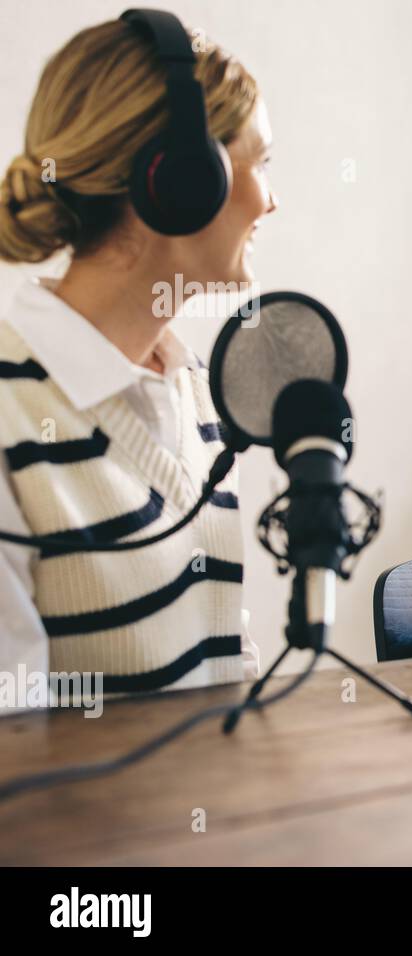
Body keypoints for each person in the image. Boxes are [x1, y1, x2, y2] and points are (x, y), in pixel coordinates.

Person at [0, 11, 276, 701]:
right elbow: (14, 752)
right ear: (180, 181)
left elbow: (223, 662)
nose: (272, 201)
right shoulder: (10, 417)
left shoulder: (195, 390)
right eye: (262, 162)